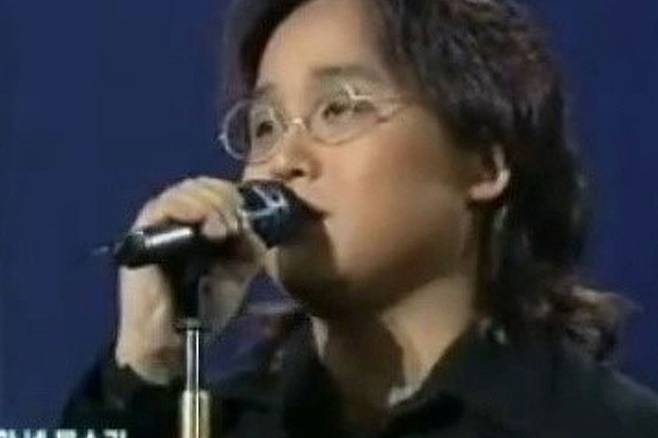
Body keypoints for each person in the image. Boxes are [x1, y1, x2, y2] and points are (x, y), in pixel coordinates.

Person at [63, 0, 658, 436]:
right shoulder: (216, 423)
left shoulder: (605, 426)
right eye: (265, 126)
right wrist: (145, 366)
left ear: (484, 164)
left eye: (339, 109)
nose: (283, 161)